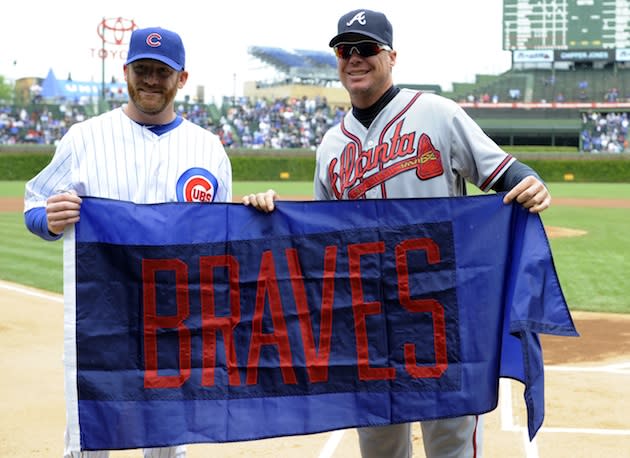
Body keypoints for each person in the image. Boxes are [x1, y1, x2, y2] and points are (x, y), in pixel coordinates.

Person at [243, 8, 551, 458]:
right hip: (366, 323)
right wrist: (266, 212)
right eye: (344, 50)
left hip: (440, 316)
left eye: (365, 49)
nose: (354, 58)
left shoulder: (437, 114)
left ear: (391, 56)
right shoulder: (331, 144)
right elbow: (320, 242)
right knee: (380, 446)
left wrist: (530, 182)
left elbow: (503, 172)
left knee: (451, 446)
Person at [23, 26, 274, 458]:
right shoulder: (84, 137)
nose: (152, 80)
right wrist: (47, 219)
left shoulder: (208, 148)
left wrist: (253, 212)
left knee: (167, 443)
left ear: (182, 78)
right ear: (126, 72)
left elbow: (221, 238)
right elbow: (34, 204)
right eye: (143, 69)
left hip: (174, 325)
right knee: (87, 439)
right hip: (100, 320)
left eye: (162, 71)